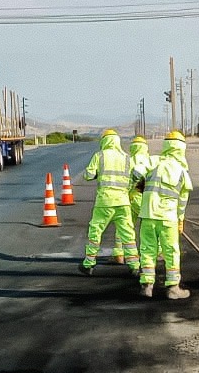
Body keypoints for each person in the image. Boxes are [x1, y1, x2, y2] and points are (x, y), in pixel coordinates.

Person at [137, 130, 192, 301]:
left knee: (147, 249)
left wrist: (139, 185)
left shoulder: (154, 161)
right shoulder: (182, 171)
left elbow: (136, 172)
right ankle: (173, 288)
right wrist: (180, 220)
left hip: (148, 214)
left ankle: (147, 286)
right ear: (181, 148)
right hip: (168, 218)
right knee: (171, 251)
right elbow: (182, 201)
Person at [79, 129, 139, 276]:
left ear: (104, 141)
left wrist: (96, 174)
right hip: (123, 202)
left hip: (104, 202)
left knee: (95, 232)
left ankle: (88, 263)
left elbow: (88, 175)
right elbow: (137, 177)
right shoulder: (127, 158)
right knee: (128, 235)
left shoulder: (99, 156)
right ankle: (135, 266)